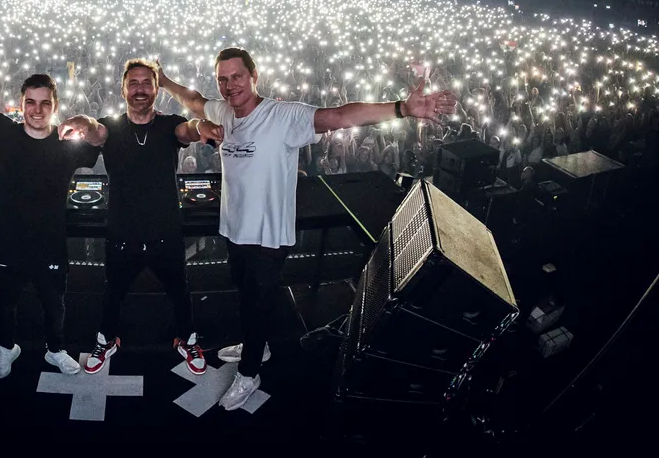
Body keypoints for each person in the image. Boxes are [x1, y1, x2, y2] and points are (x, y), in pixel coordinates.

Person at [158, 47, 456, 411]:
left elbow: (340, 116)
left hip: (268, 236)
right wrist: (164, 81)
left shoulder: (283, 116)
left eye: (237, 76)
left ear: (254, 76)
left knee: (258, 302)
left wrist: (402, 109)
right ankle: (257, 345)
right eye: (223, 79)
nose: (230, 85)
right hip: (235, 229)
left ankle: (250, 373)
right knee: (246, 296)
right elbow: (193, 100)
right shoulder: (223, 112)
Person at [0, 4, 100, 380]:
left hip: (49, 241)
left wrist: (87, 121)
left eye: (45, 103)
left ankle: (56, 349)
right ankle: (7, 347)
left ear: (55, 107)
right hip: (8, 239)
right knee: (5, 302)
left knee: (55, 302)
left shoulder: (68, 143)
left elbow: (101, 139)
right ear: (20, 106)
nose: (37, 110)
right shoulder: (7, 134)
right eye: (30, 103)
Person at [57, 58, 224, 376]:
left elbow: (187, 129)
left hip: (165, 230)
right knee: (113, 292)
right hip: (123, 232)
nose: (140, 89)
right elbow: (95, 132)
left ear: (156, 89)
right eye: (133, 83)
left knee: (180, 289)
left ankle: (187, 339)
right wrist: (82, 121)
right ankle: (106, 340)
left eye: (147, 82)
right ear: (123, 89)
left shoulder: (169, 124)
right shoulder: (111, 126)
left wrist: (201, 127)